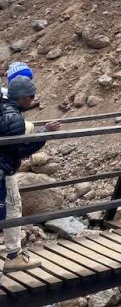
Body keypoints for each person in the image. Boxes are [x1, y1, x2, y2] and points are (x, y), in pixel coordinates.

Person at [1, 76, 61, 272]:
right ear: (23, 98)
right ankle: (13, 256)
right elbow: (20, 149)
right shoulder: (14, 119)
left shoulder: (4, 107)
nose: (33, 99)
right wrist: (45, 131)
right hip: (3, 171)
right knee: (12, 208)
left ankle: (13, 253)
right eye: (31, 96)